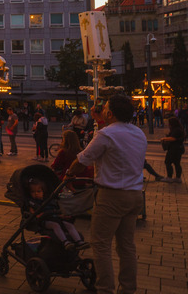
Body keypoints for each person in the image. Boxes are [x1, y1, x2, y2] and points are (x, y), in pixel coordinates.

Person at [69, 94, 147, 294]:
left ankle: (105, 289)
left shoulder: (106, 134)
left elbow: (83, 160)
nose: (102, 110)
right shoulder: (139, 133)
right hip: (135, 195)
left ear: (110, 113)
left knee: (101, 243)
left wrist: (69, 173)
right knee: (126, 245)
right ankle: (128, 288)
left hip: (112, 196)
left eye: (105, 108)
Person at [27, 178, 87, 251]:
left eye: (38, 191)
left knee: (69, 225)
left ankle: (79, 242)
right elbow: (33, 215)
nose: (36, 193)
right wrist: (38, 215)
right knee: (55, 225)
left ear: (43, 191)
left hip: (55, 218)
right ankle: (65, 242)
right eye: (33, 192)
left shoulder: (49, 200)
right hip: (44, 221)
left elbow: (56, 211)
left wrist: (62, 215)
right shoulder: (32, 203)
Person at [160, 115, 185, 181]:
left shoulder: (176, 130)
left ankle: (169, 177)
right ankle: (178, 178)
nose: (168, 124)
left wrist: (164, 138)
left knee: (167, 161)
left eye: (169, 123)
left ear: (172, 123)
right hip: (178, 148)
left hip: (174, 149)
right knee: (177, 163)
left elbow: (173, 138)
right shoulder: (178, 129)